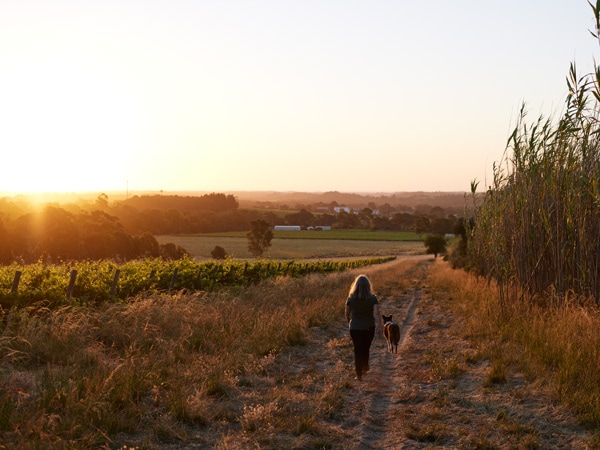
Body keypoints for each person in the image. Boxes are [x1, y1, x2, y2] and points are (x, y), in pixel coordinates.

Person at [345, 274, 381, 380]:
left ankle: (358, 374)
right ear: (368, 286)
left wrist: (350, 322)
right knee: (366, 348)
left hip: (355, 328)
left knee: (357, 350)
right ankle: (365, 367)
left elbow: (347, 313)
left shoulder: (351, 298)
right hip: (369, 327)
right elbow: (376, 314)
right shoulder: (373, 298)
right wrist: (379, 325)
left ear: (355, 286)